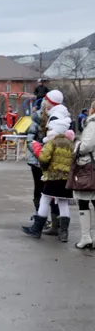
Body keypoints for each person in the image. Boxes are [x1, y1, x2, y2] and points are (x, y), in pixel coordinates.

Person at [22, 113, 74, 241]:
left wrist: (36, 149)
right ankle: (63, 233)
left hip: (53, 177)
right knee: (63, 203)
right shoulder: (70, 144)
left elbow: (43, 158)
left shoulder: (52, 143)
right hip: (66, 179)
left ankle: (36, 229)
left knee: (45, 200)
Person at [25, 89, 64, 234]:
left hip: (54, 160)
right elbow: (30, 137)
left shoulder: (60, 117)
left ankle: (55, 222)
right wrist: (38, 149)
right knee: (40, 189)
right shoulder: (38, 117)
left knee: (54, 191)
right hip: (37, 159)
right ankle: (40, 218)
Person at [72, 100, 95, 249]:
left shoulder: (92, 124)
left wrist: (77, 146)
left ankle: (86, 237)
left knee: (84, 201)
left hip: (89, 166)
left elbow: (87, 145)